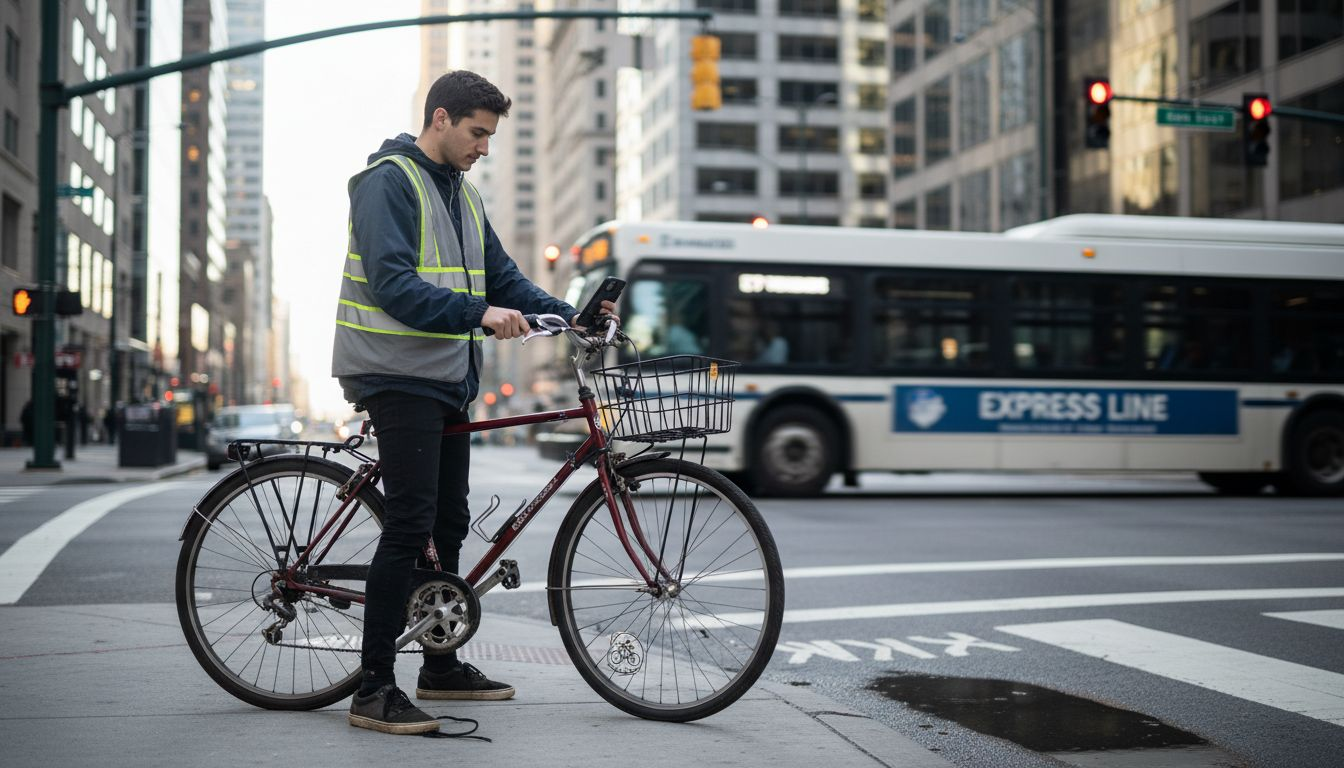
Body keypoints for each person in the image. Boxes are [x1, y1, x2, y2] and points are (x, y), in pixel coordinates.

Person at [331, 70, 615, 736]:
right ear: (440, 120)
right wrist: (479, 314)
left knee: (448, 521)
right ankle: (373, 689)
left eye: (490, 135)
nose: (484, 146)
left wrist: (570, 313)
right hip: (395, 373)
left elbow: (504, 277)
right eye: (477, 133)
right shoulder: (387, 183)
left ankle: (441, 663)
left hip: (446, 376)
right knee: (409, 522)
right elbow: (395, 286)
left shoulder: (464, 194)